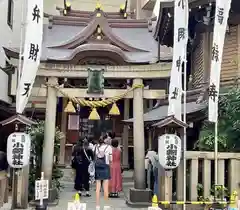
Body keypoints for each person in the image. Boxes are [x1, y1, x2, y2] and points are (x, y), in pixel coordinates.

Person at [94, 135, 112, 210]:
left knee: (98, 187)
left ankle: (97, 205)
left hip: (97, 167)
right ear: (104, 140)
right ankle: (106, 205)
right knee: (105, 188)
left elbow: (94, 157)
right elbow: (111, 159)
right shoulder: (109, 147)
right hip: (105, 167)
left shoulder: (95, 147)